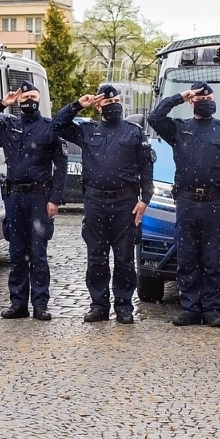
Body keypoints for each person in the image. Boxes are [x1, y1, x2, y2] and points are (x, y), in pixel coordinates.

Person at [148, 81, 220, 328]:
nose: (205, 101)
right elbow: (154, 117)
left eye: (209, 97)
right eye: (199, 98)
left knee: (213, 259)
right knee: (187, 258)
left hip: (215, 202)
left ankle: (212, 309)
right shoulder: (180, 129)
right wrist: (180, 96)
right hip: (187, 202)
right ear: (191, 102)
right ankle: (190, 308)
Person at [55, 83, 154, 324]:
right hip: (96, 201)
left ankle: (124, 305)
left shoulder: (133, 131)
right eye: (107, 103)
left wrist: (146, 199)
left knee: (124, 258)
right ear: (99, 106)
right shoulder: (87, 130)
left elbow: (146, 166)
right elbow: (56, 125)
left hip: (125, 202)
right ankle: (98, 304)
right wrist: (79, 104)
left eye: (116, 101)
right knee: (96, 257)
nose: (113, 106)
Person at [0, 79, 68, 321]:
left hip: (39, 196)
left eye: (34, 99)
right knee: (16, 254)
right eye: (25, 99)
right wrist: (1, 103)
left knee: (38, 254)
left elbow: (62, 164)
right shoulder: (7, 125)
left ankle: (40, 305)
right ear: (18, 101)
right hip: (14, 196)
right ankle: (18, 304)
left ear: (39, 101)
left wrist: (55, 198)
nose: (29, 102)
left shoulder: (49, 128)